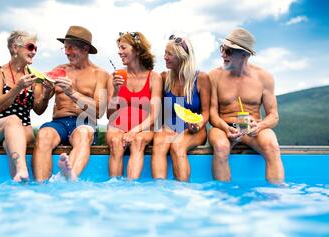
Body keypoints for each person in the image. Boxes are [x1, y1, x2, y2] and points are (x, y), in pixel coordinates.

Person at [32, 25, 109, 182]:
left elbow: (99, 111)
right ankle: (41, 187)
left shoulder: (101, 75)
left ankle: (68, 178)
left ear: (85, 48)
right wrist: (46, 95)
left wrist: (72, 93)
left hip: (84, 123)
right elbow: (39, 110)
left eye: (71, 47)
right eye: (65, 48)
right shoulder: (58, 70)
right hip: (58, 123)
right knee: (44, 134)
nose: (67, 52)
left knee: (83, 133)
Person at [208, 28, 284, 184]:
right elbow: (213, 114)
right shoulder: (214, 76)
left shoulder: (264, 77)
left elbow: (274, 115)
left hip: (253, 127)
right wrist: (225, 127)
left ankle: (276, 199)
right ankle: (223, 197)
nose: (223, 54)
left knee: (272, 147)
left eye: (228, 51)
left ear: (244, 55)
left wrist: (260, 125)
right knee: (221, 148)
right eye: (222, 49)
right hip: (224, 127)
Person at [0, 30, 41, 181]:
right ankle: (22, 169)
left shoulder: (34, 76)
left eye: (36, 48)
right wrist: (18, 88)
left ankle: (18, 180)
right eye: (30, 47)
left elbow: (39, 110)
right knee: (13, 120)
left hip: (24, 130)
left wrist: (46, 94)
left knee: (10, 140)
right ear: (15, 48)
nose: (34, 52)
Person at [151, 35, 210, 182]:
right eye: (165, 52)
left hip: (194, 128)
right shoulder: (164, 77)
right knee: (158, 146)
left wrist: (198, 125)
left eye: (169, 54)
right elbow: (157, 108)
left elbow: (206, 112)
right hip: (170, 126)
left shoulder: (201, 78)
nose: (164, 57)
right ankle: (159, 191)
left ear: (181, 57)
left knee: (178, 146)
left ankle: (183, 192)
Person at [106, 32, 163, 180]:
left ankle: (131, 187)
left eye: (123, 48)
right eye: (118, 48)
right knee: (115, 142)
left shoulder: (154, 78)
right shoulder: (116, 77)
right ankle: (114, 186)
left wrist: (134, 131)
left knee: (138, 142)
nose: (119, 52)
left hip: (144, 127)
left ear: (137, 50)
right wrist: (116, 92)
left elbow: (154, 115)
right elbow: (110, 115)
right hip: (118, 125)